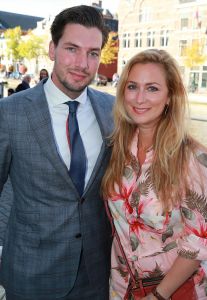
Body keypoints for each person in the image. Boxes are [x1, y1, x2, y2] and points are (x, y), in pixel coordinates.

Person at [0, 5, 114, 300]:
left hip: (97, 274)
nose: (83, 63)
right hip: (31, 274)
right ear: (52, 49)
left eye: (93, 52)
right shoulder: (10, 113)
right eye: (72, 49)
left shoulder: (112, 111)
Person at [102, 49, 207, 299]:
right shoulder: (117, 149)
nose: (139, 98)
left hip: (173, 290)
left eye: (152, 88)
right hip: (121, 287)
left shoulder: (191, 158)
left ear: (170, 96)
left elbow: (199, 241)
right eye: (132, 86)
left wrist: (159, 295)